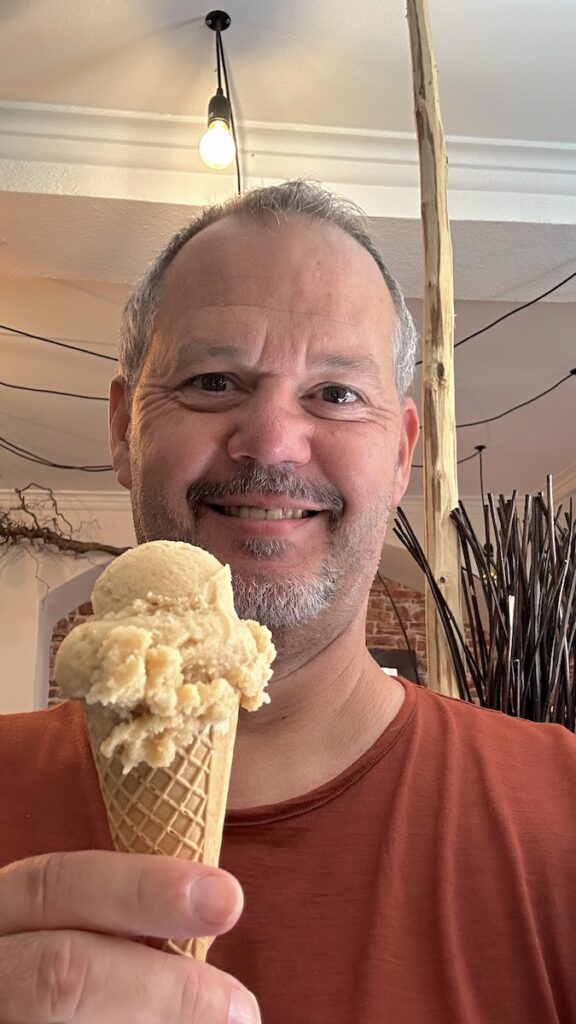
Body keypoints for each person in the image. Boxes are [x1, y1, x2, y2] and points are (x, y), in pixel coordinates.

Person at [1, 180, 575, 1024]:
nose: (270, 438)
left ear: (402, 452)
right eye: (211, 380)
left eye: (336, 394)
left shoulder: (561, 815)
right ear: (124, 429)